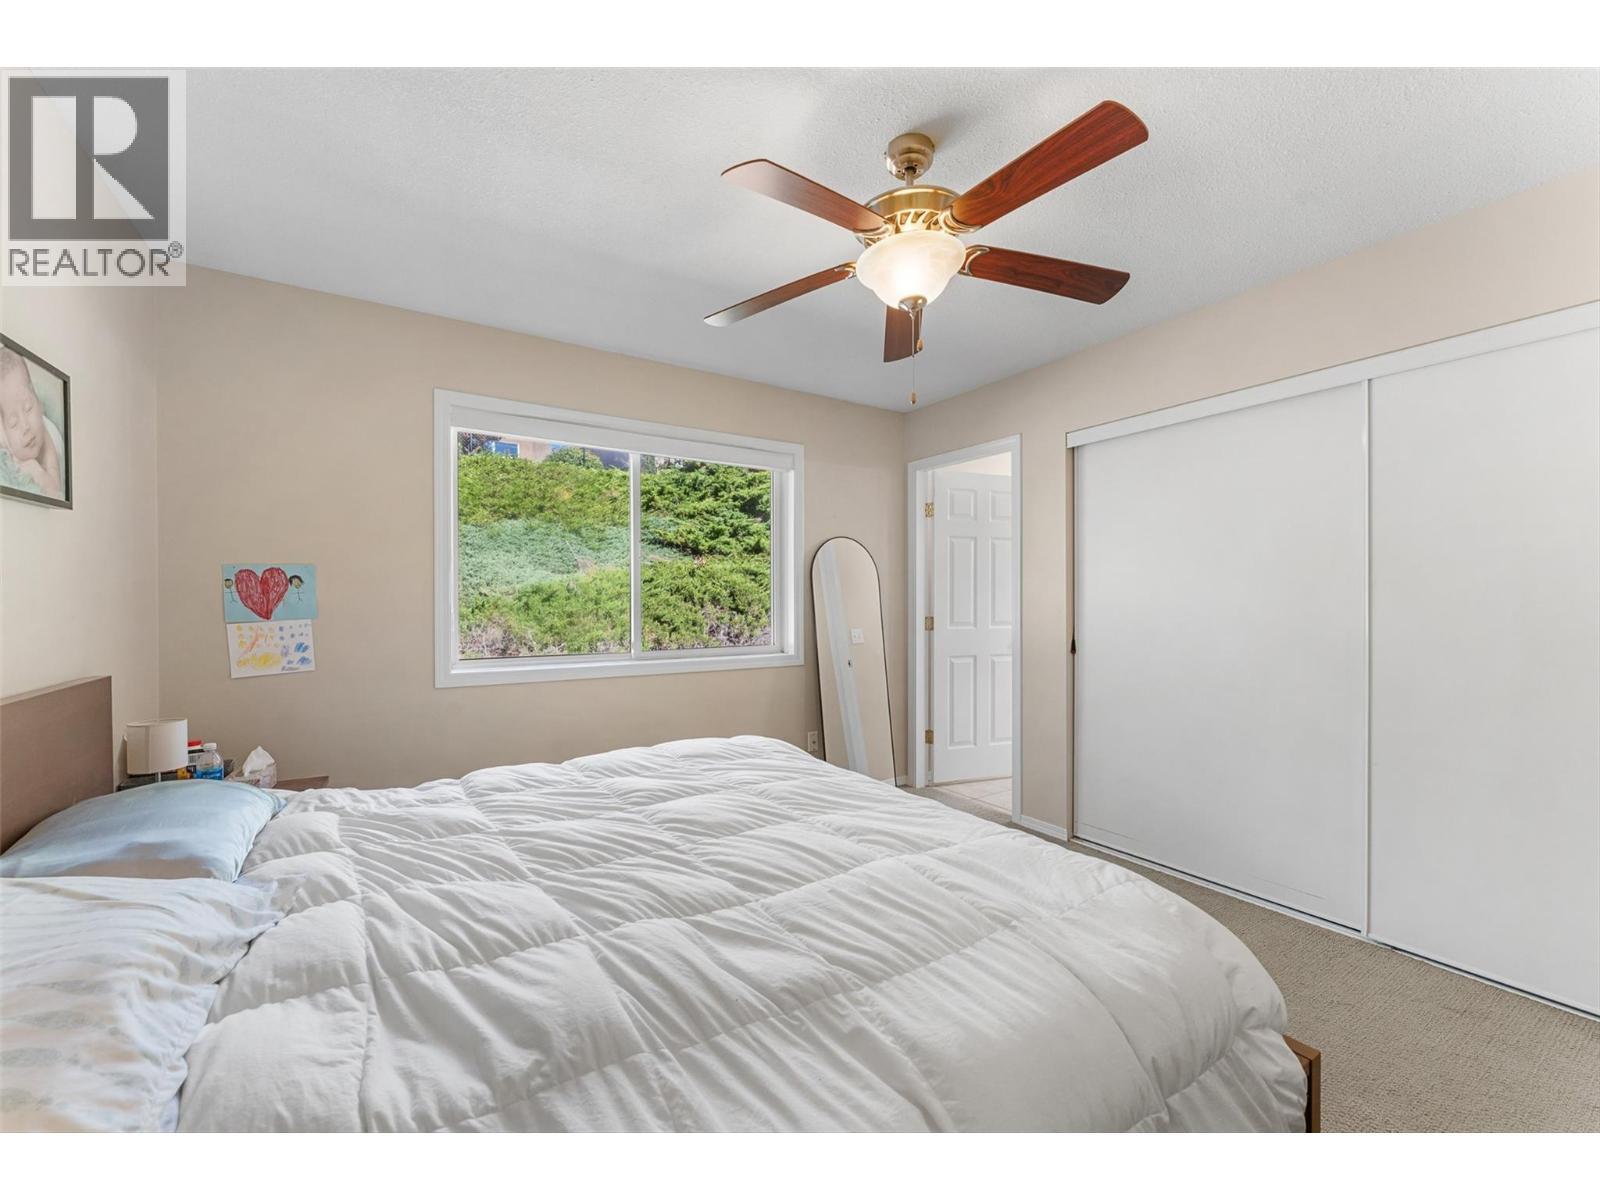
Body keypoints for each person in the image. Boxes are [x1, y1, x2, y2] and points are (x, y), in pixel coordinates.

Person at [0, 346, 64, 500]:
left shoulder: (47, 436)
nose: (25, 426)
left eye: (29, 408)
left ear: (38, 403)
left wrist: (37, 471)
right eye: (14, 423)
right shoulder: (6, 442)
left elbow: (55, 490)